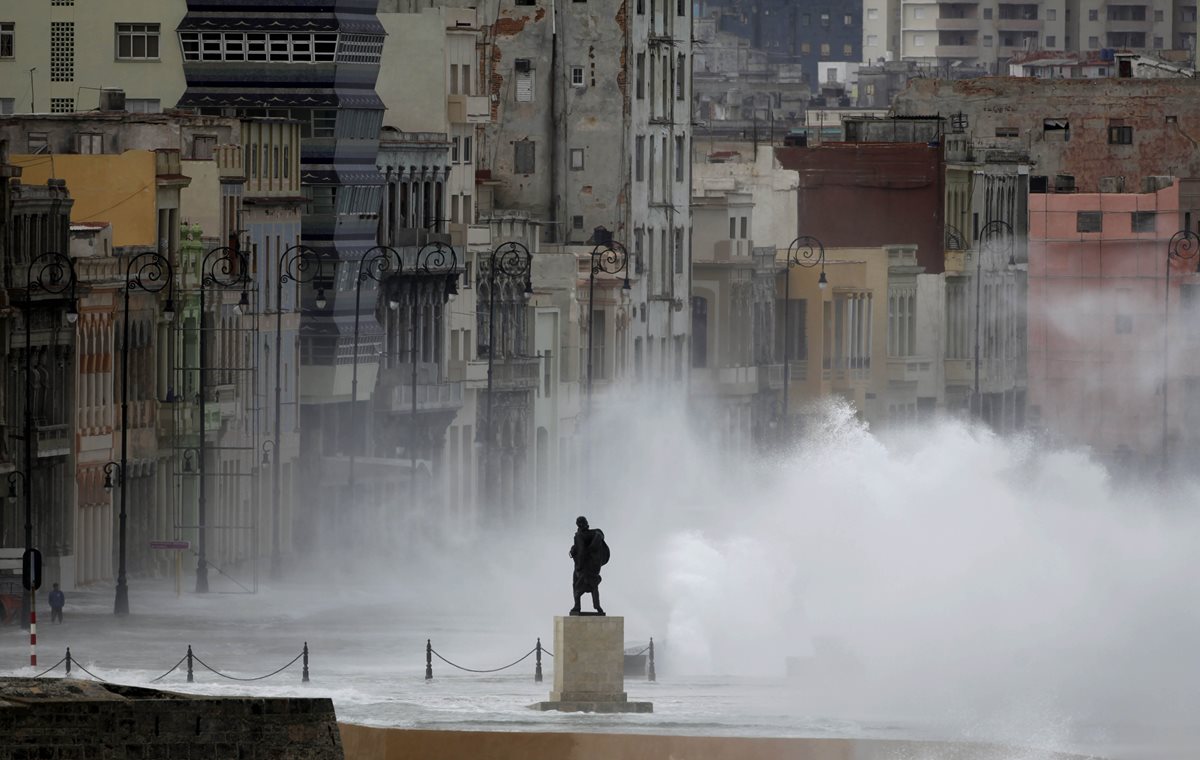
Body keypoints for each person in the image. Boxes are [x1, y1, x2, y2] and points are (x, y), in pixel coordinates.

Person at [569, 516, 609, 615]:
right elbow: (599, 536)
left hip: (583, 567)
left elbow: (581, 551)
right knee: (594, 586)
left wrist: (578, 565)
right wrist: (574, 548)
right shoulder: (596, 533)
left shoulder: (579, 536)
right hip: (593, 567)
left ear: (578, 525)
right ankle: (598, 607)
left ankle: (577, 606)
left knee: (576, 586)